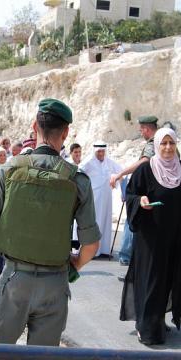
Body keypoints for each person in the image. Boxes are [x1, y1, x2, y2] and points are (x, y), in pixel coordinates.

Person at [0, 98, 100, 346]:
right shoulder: (78, 180)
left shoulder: (9, 170)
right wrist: (71, 268)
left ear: (34, 126)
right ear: (67, 132)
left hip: (15, 279)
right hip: (56, 285)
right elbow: (91, 245)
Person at [120, 128, 181, 345]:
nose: (167, 148)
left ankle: (157, 320)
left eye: (171, 143)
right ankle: (145, 327)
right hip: (150, 240)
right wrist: (140, 201)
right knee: (151, 281)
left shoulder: (180, 170)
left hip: (174, 239)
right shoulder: (146, 170)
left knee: (167, 281)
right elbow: (131, 195)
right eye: (163, 143)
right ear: (156, 145)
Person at [110, 115, 158, 266]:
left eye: (141, 130)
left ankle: (127, 257)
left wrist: (120, 174)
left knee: (133, 219)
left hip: (147, 190)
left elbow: (144, 161)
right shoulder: (165, 140)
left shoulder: (153, 143)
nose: (141, 133)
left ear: (147, 129)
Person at [80, 141, 122, 258]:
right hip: (94, 197)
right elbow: (79, 172)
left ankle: (104, 250)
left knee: (106, 222)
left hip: (107, 198)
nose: (101, 153)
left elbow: (121, 172)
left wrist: (116, 180)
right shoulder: (89, 161)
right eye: (99, 151)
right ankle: (93, 251)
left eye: (103, 151)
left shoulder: (109, 162)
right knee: (96, 222)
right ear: (94, 152)